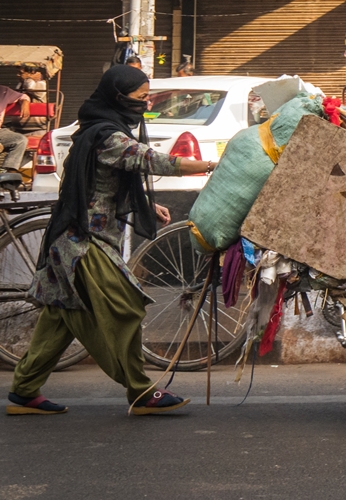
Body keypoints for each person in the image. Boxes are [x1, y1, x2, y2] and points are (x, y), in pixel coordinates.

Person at [6, 65, 217, 416]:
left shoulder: (93, 130)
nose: (145, 105)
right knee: (125, 307)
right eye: (140, 99)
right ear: (118, 98)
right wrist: (209, 165)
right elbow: (151, 161)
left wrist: (147, 203)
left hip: (72, 238)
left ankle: (24, 390)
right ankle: (140, 389)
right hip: (82, 245)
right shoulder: (107, 136)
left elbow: (100, 185)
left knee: (60, 316)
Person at [0, 85, 31, 173]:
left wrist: (25, 102)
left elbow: (22, 96)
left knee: (20, 140)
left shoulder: (4, 91)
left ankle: (10, 175)